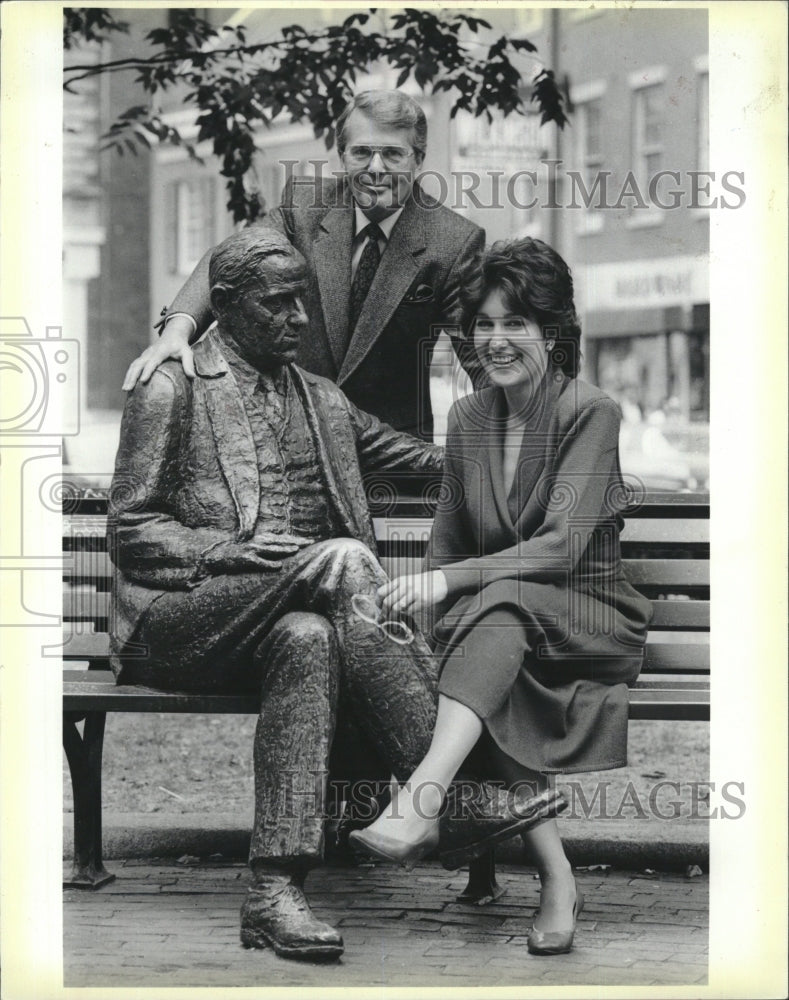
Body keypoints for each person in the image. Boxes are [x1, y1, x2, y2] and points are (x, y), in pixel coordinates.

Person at [108, 227, 566, 963]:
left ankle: (272, 892)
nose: (297, 319)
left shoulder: (321, 399)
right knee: (345, 561)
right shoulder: (173, 385)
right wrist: (224, 549)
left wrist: (531, 435)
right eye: (278, 304)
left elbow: (420, 458)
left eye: (303, 304)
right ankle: (451, 796)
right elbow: (131, 528)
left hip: (278, 624)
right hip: (181, 622)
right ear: (223, 304)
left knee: (308, 638)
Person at [350, 237, 653, 956]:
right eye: (483, 325)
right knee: (489, 654)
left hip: (583, 615)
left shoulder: (590, 413)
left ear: (551, 331)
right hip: (504, 624)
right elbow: (448, 541)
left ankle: (422, 797)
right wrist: (424, 612)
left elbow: (557, 548)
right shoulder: (466, 420)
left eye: (514, 323)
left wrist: (451, 586)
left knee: (498, 616)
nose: (495, 340)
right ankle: (557, 876)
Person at [122, 89, 486, 440]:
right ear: (342, 156)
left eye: (392, 154)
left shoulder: (453, 241)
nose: (376, 168)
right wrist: (177, 331)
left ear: (418, 159)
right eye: (361, 152)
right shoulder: (305, 206)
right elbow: (231, 257)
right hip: (295, 441)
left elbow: (481, 360)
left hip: (392, 456)